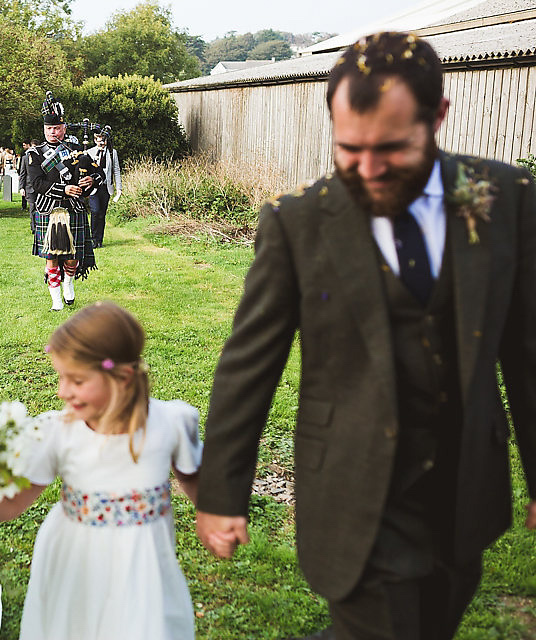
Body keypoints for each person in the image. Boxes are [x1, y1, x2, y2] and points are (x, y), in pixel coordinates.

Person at [194, 32, 536, 640]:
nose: (369, 169)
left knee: (433, 620)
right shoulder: (297, 222)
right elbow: (249, 364)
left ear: (437, 118)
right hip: (356, 489)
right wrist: (223, 491)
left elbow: (528, 350)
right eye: (349, 149)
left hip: (462, 489)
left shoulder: (500, 198)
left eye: (391, 149)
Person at [0, 301, 202, 640]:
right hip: (76, 567)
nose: (63, 391)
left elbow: (202, 488)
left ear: (121, 378)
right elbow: (8, 505)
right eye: (61, 377)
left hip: (143, 570)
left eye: (76, 380)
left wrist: (218, 516)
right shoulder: (58, 432)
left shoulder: (172, 423)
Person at [26, 91, 105, 311]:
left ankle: (68, 283)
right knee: (51, 257)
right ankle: (56, 300)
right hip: (48, 210)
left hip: (74, 210)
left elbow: (100, 174)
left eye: (57, 128)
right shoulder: (35, 154)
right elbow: (37, 184)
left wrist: (91, 179)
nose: (53, 132)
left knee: (72, 257)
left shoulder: (78, 151)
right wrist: (64, 189)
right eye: (49, 129)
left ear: (64, 128)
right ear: (44, 130)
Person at [85, 128, 122, 248]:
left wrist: (119, 188)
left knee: (101, 214)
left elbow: (116, 170)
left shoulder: (112, 152)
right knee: (95, 211)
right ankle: (93, 238)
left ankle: (99, 239)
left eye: (103, 140)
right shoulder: (90, 152)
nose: (101, 142)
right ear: (95, 140)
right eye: (98, 140)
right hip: (94, 187)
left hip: (106, 187)